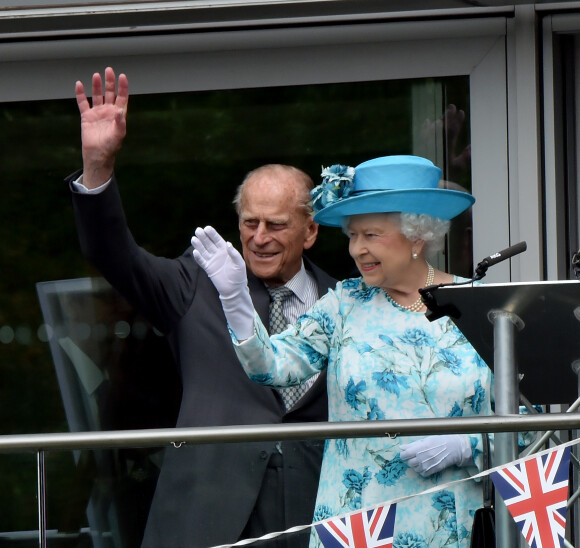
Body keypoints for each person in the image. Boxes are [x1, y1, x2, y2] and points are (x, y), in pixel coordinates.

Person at [66, 67, 337, 548]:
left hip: (320, 513)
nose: (258, 238)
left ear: (310, 231)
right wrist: (99, 167)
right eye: (248, 222)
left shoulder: (344, 301)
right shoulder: (199, 282)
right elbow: (115, 255)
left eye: (275, 225)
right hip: (209, 513)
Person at [192, 155, 494, 548]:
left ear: (416, 236)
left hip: (446, 524)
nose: (356, 250)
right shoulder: (344, 304)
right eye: (353, 235)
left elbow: (531, 418)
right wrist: (234, 298)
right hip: (355, 524)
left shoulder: (482, 306)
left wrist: (467, 445)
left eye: (372, 235)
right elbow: (271, 366)